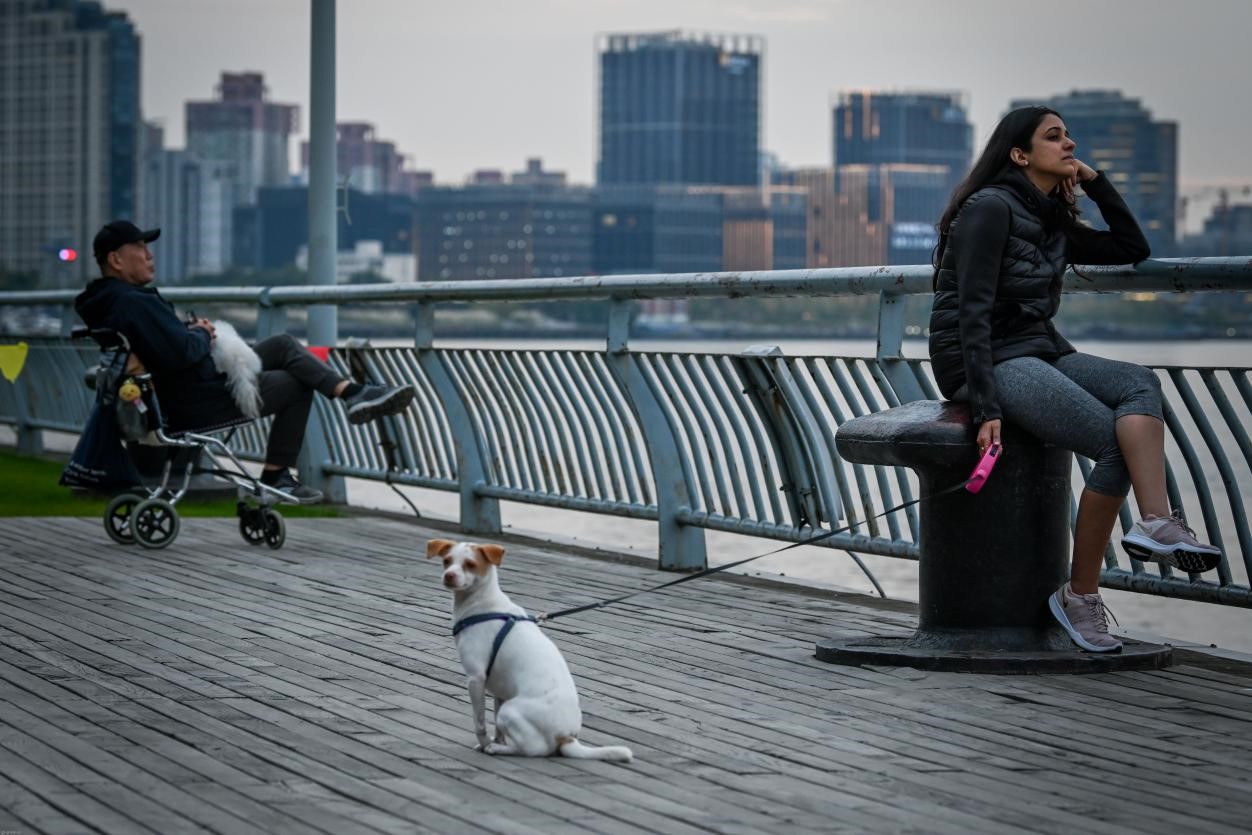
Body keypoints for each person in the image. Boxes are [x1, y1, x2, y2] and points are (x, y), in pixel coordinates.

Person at [928, 106, 1222, 654]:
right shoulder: (989, 208)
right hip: (983, 361)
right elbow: (970, 309)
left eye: (1069, 136)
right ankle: (1080, 597)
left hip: (1038, 349)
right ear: (1019, 154)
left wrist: (1096, 181)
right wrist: (987, 408)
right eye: (1054, 137)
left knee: (1139, 382)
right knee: (1111, 444)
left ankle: (1155, 521)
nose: (1070, 145)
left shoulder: (1050, 219)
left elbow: (1133, 249)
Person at [75, 220, 416, 504]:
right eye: (141, 249)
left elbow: (165, 347)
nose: (150, 256)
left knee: (282, 345)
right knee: (297, 385)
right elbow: (180, 353)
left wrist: (191, 333)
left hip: (178, 390)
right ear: (116, 260)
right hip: (192, 401)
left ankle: (352, 393)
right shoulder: (133, 302)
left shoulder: (107, 302)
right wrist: (203, 334)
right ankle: (277, 475)